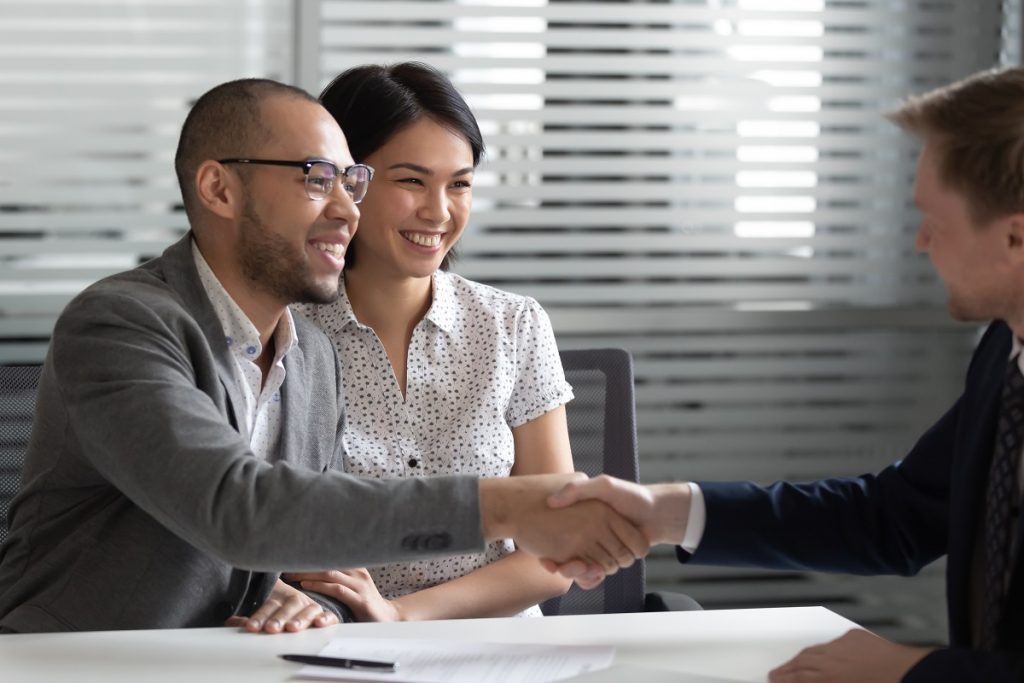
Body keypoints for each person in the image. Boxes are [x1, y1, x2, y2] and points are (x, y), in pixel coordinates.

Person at [0, 77, 648, 634]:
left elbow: (298, 549)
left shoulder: (307, 350)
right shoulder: (120, 324)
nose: (346, 209)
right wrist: (508, 506)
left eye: (352, 182)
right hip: (87, 659)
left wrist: (293, 595)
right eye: (318, 179)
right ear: (220, 190)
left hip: (240, 656)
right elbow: (241, 507)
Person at [546, 66, 1024, 682]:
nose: (920, 241)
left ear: (1015, 237)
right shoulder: (1004, 352)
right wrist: (667, 512)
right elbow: (895, 519)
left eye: (936, 220)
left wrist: (912, 671)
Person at [266, 61, 574, 623]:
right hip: (339, 643)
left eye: (459, 184)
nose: (438, 211)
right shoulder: (283, 332)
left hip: (500, 649)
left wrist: (404, 613)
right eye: (411, 181)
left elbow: (557, 549)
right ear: (347, 181)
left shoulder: (513, 324)